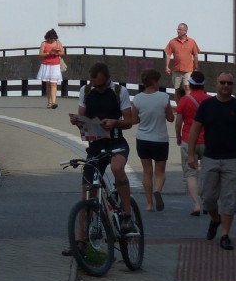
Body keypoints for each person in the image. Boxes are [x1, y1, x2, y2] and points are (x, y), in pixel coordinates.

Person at [64, 62, 137, 256]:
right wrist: (77, 121)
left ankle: (127, 216)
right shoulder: (86, 91)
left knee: (117, 168)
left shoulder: (120, 91)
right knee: (86, 193)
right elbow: (82, 115)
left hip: (116, 142)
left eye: (100, 85)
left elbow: (129, 121)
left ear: (107, 78)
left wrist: (115, 123)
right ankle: (80, 241)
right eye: (94, 85)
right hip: (95, 145)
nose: (97, 88)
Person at [187, 72, 236, 249]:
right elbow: (195, 130)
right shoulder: (207, 105)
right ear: (216, 84)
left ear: (233, 86)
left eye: (229, 83)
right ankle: (215, 219)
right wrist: (190, 154)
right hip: (210, 157)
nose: (226, 86)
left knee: (229, 199)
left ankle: (225, 235)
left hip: (232, 159)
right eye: (222, 82)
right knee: (208, 198)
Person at [132, 68, 174, 212]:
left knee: (147, 172)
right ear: (154, 82)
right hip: (160, 139)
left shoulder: (137, 99)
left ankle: (149, 204)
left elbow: (134, 119)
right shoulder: (164, 97)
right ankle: (158, 191)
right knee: (160, 172)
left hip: (143, 139)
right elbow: (170, 118)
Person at [175, 73, 211, 215]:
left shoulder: (184, 100)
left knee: (191, 173)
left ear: (189, 84)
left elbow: (178, 123)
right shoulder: (209, 100)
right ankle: (208, 202)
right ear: (203, 85)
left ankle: (196, 204)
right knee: (208, 172)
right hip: (207, 141)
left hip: (188, 140)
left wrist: (178, 137)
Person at [164, 23, 200, 92]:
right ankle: (179, 103)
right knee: (177, 89)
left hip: (188, 70)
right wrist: (167, 66)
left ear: (185, 31)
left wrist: (196, 67)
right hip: (176, 70)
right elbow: (168, 54)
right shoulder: (172, 41)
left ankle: (187, 102)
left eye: (180, 29)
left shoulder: (192, 42)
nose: (178, 31)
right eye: (178, 29)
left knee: (187, 88)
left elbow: (195, 55)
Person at [37, 28, 65, 109]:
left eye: (54, 38)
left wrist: (57, 53)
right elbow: (41, 54)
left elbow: (63, 52)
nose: (53, 40)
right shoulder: (44, 44)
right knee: (48, 84)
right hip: (46, 65)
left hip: (55, 65)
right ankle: (49, 102)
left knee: (54, 84)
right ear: (47, 37)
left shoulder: (58, 42)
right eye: (51, 38)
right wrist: (49, 53)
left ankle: (53, 102)